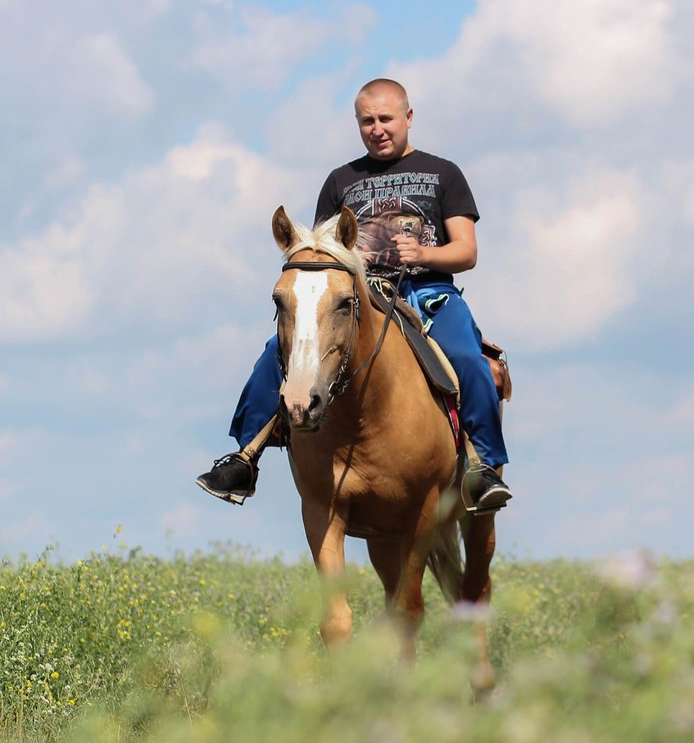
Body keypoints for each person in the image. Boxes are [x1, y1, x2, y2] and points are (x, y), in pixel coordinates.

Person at [196, 78, 512, 512]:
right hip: (356, 298)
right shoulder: (341, 180)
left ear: (408, 118)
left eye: (386, 119)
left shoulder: (444, 173)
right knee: (277, 351)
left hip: (427, 293)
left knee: (466, 358)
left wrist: (424, 253)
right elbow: (320, 254)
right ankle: (245, 457)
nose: (377, 128)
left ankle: (484, 467)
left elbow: (467, 251)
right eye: (367, 121)